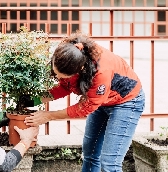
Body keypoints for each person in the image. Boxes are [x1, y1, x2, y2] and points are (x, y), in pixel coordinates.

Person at [22, 31, 145, 172]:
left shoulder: (101, 73)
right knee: (90, 154)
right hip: (102, 101)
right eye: (55, 72)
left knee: (110, 164)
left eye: (59, 75)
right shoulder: (69, 54)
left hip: (127, 102)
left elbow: (86, 107)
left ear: (80, 69)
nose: (56, 76)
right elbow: (65, 86)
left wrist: (48, 115)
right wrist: (34, 100)